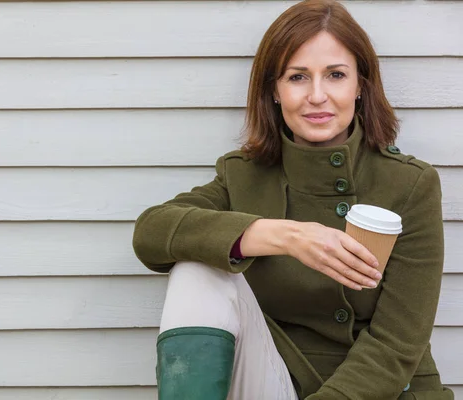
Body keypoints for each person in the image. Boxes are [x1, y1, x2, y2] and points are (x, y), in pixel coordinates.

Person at [132, 0, 454, 399]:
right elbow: (151, 231)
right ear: (275, 91)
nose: (317, 96)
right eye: (298, 77)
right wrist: (284, 236)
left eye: (335, 75)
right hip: (276, 381)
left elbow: (397, 344)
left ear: (360, 87)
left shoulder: (410, 184)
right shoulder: (243, 174)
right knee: (195, 270)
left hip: (379, 391)